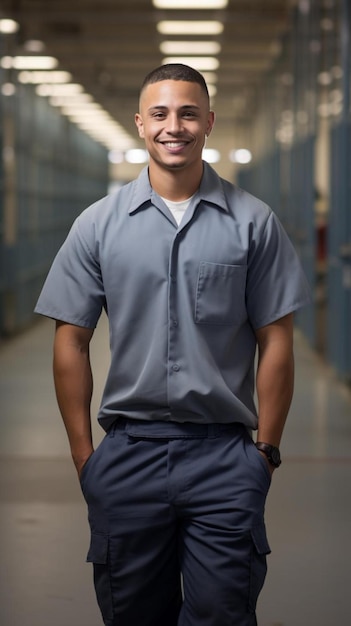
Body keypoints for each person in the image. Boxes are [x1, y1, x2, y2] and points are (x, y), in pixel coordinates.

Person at [35, 63, 311, 626]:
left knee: (221, 612)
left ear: (208, 122)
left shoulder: (254, 223)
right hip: (128, 455)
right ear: (140, 123)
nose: (174, 126)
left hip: (224, 459)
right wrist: (86, 458)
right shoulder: (98, 225)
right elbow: (71, 339)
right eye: (160, 113)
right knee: (133, 613)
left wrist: (266, 453)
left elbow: (275, 339)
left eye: (188, 113)